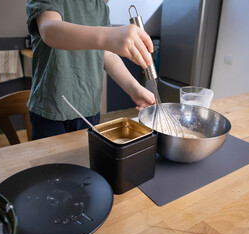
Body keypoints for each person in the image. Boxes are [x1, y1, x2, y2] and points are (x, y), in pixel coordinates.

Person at [26, 0, 155, 140]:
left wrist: (134, 89)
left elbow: (106, 54)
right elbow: (49, 30)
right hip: (50, 108)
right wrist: (109, 36)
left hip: (89, 108)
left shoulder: (100, 6)